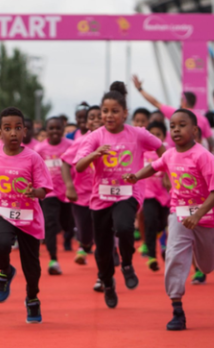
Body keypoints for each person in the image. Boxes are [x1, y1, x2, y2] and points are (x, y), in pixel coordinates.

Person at [124, 109, 214, 331]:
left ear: (195, 130)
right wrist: (136, 176)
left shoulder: (204, 157)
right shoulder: (169, 154)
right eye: (172, 126)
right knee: (174, 257)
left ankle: (212, 239)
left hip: (205, 218)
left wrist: (198, 215)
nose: (176, 129)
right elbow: (155, 165)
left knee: (207, 266)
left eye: (182, 125)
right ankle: (177, 309)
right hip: (179, 213)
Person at [76, 82, 165, 308]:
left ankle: (127, 263)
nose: (109, 115)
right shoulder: (95, 137)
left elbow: (162, 149)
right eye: (105, 111)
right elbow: (78, 166)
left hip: (129, 193)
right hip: (100, 198)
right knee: (103, 249)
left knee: (125, 227)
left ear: (125, 113)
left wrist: (165, 169)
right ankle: (107, 283)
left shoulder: (137, 134)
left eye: (115, 111)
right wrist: (95, 154)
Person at [0, 107, 52, 324]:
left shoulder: (33, 158)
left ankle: (32, 298)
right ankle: (5, 271)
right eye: (7, 128)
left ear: (25, 131)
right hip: (3, 211)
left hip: (29, 218)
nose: (13, 133)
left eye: (17, 128)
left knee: (32, 269)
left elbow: (44, 190)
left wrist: (33, 192)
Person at [61, 104, 102, 270]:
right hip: (81, 197)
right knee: (85, 235)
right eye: (92, 117)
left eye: (100, 116)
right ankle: (84, 244)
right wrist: (69, 186)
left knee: (102, 232)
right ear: (86, 123)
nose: (96, 120)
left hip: (104, 196)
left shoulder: (115, 141)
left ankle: (104, 270)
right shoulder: (80, 141)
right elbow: (65, 162)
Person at [132, 75, 212, 148]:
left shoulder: (177, 114)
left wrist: (140, 89)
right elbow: (210, 140)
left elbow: (155, 102)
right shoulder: (203, 119)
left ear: (183, 102)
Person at [36, 116, 73, 276]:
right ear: (46, 130)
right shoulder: (40, 149)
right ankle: (53, 259)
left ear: (63, 129)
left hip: (67, 193)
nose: (55, 131)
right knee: (50, 224)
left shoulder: (71, 146)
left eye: (58, 128)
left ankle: (68, 236)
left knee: (67, 224)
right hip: (49, 193)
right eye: (51, 128)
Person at [141, 120, 170, 272]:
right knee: (150, 221)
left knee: (162, 223)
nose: (155, 137)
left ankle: (161, 238)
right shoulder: (142, 151)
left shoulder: (168, 152)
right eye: (152, 135)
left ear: (164, 137)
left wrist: (167, 176)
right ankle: (152, 256)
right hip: (148, 194)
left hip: (165, 195)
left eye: (158, 135)